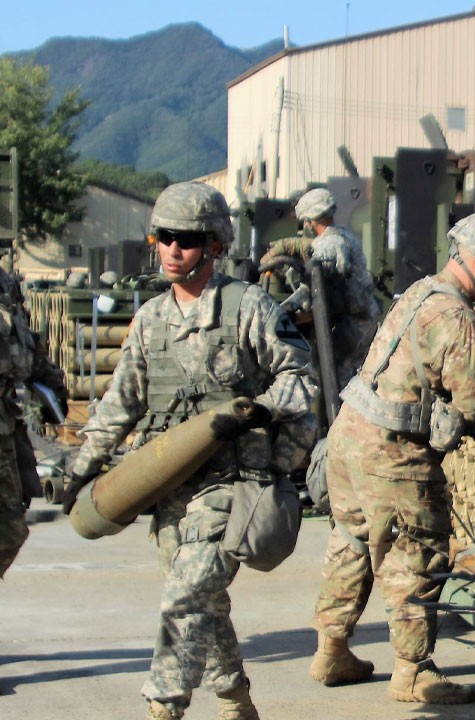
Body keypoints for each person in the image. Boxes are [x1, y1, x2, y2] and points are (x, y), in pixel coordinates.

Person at [63, 182, 318, 720]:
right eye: (164, 238)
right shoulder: (151, 319)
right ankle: (235, 700)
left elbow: (304, 380)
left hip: (233, 487)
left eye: (186, 239)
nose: (173, 249)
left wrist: (259, 420)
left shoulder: (248, 306)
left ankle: (163, 707)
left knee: (184, 599)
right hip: (169, 487)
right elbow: (120, 403)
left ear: (215, 245)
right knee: (204, 600)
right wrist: (82, 468)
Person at [309, 212, 475, 705]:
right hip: (392, 455)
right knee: (413, 555)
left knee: (352, 542)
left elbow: (453, 356)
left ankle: (331, 650)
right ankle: (414, 672)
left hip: (349, 438)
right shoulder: (457, 315)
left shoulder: (423, 292)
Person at [260, 187, 380, 391]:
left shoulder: (333, 244)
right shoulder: (342, 235)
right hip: (361, 318)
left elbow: (317, 276)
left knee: (338, 379)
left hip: (353, 324)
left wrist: (288, 307)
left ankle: (337, 420)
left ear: (310, 220)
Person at [0, 262, 68, 579]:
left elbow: (24, 338)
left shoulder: (4, 283)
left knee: (11, 530)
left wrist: (51, 382)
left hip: (6, 427)